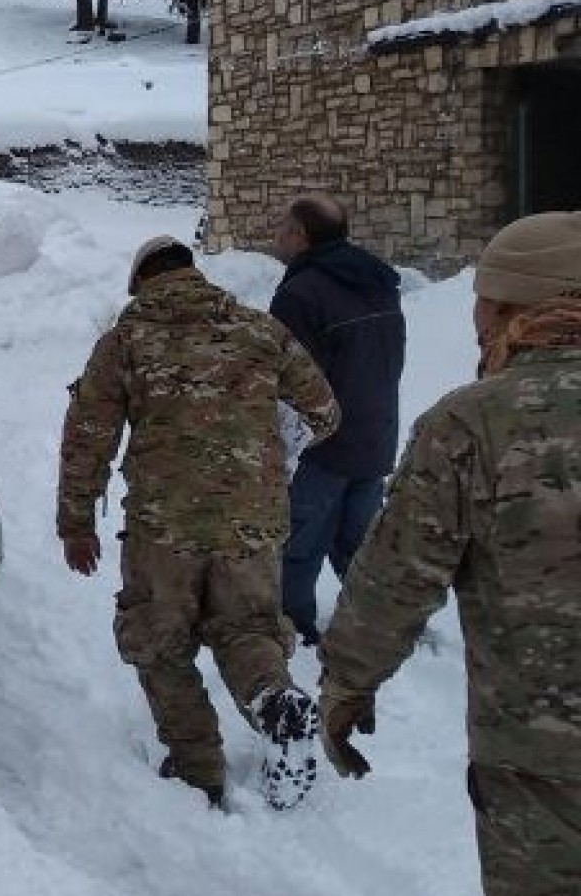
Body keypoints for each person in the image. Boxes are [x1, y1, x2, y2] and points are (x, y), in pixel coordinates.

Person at [319, 212, 581, 896]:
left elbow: (397, 576)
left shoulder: (472, 424)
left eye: (483, 306)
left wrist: (347, 683)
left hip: (543, 767)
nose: (475, 326)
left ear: (509, 306)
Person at [58, 235, 340, 808]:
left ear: (140, 283)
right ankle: (275, 700)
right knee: (248, 631)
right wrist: (264, 453)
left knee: (159, 642)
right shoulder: (261, 331)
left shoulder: (126, 341)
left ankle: (197, 766)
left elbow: (89, 436)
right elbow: (324, 412)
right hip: (253, 522)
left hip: (166, 528)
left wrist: (77, 522)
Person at [268, 193, 407, 646]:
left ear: (301, 236)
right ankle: (379, 626)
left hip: (322, 448)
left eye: (282, 228)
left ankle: (294, 627)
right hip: (376, 435)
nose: (277, 236)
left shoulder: (300, 294)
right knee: (364, 547)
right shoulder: (380, 282)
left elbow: (289, 382)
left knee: (297, 548)